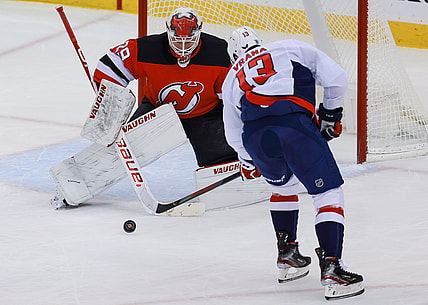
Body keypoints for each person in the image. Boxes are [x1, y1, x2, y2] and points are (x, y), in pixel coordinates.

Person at [221, 26, 364, 300]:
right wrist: (330, 114)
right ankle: (333, 268)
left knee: (284, 188)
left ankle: (287, 257)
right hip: (293, 126)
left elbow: (232, 130)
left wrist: (247, 160)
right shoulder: (288, 47)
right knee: (327, 192)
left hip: (255, 138)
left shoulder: (232, 76)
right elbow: (337, 78)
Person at [92, 7, 237, 168]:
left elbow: (232, 99)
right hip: (157, 109)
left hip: (206, 114)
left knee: (224, 160)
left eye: (188, 41)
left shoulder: (219, 52)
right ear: (168, 31)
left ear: (199, 32)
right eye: (177, 40)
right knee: (123, 151)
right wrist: (110, 106)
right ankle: (94, 170)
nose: (183, 47)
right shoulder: (149, 48)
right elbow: (108, 67)